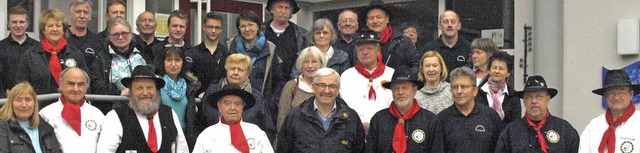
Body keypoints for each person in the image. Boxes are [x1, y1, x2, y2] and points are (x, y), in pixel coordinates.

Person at [96, 65, 188, 152]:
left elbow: (182, 150)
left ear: (156, 91)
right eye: (139, 88)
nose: (145, 93)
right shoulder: (115, 117)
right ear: (130, 91)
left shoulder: (169, 113)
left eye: (150, 88)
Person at [277, 68, 365, 153]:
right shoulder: (295, 116)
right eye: (322, 85)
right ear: (313, 87)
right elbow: (283, 149)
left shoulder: (351, 118)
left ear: (338, 90)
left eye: (332, 86)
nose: (327, 91)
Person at [196, 54, 276, 143]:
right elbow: (200, 123)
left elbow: (268, 131)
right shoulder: (211, 93)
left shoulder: (257, 98)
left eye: (240, 70)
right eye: (232, 68)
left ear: (248, 74)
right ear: (226, 70)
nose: (235, 73)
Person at [16, 8, 88, 105]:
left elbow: (86, 82)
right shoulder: (30, 55)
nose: (54, 29)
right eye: (50, 26)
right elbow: (21, 85)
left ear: (64, 30)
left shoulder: (75, 54)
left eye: (58, 26)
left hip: (71, 107)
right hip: (40, 110)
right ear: (43, 30)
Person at [496, 75, 579, 153]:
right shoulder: (511, 132)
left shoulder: (564, 130)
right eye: (529, 97)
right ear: (524, 101)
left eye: (539, 96)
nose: (534, 101)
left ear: (548, 98)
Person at [366, 70, 443, 152]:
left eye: (405, 88)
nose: (400, 92)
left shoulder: (430, 121)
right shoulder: (378, 119)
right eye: (396, 88)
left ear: (415, 90)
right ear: (391, 91)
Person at [227, 10, 282, 122]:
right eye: (243, 26)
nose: (247, 29)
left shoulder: (271, 49)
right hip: (234, 106)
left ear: (258, 27)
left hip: (261, 109)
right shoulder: (229, 47)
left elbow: (279, 80)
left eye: (250, 25)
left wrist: (270, 103)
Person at [90, 18, 150, 114]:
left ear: (131, 35)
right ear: (109, 37)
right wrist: (119, 93)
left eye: (124, 33)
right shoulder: (101, 58)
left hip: (142, 109)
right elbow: (96, 85)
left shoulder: (142, 54)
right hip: (113, 111)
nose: (120, 37)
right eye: (116, 34)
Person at [340, 30, 395, 134]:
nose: (365, 52)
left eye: (369, 48)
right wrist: (362, 123)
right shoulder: (347, 76)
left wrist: (378, 125)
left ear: (378, 51)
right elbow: (348, 105)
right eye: (361, 49)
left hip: (387, 130)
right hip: (356, 130)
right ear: (356, 52)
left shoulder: (391, 74)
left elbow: (394, 103)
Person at [39, 67, 105, 153]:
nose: (75, 89)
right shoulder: (46, 114)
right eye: (71, 84)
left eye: (80, 84)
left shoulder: (97, 115)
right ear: (61, 85)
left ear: (86, 88)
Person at [437, 67, 502, 152]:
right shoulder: (442, 119)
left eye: (463, 87)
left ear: (475, 90)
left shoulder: (490, 116)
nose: (459, 91)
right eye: (455, 87)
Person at [193, 84, 274, 152]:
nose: (232, 108)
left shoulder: (256, 132)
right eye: (227, 103)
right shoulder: (206, 136)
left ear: (243, 106)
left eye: (237, 104)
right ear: (219, 106)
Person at [579, 69, 640, 153]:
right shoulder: (594, 126)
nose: (616, 97)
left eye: (621, 92)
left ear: (631, 94)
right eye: (611, 93)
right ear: (605, 96)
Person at [156, 47, 198, 150]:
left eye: (178, 60)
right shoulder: (156, 84)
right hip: (161, 138)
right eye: (169, 60)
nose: (173, 64)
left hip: (184, 138)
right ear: (163, 62)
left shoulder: (189, 85)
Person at [0, 82, 62, 153]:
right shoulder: (3, 127)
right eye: (18, 100)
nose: (24, 105)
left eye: (28, 100)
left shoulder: (44, 126)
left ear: (34, 103)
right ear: (11, 104)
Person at [364, 0, 420, 76]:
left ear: (387, 19)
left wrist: (406, 79)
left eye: (379, 17)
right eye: (371, 18)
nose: (375, 21)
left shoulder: (403, 41)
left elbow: (417, 64)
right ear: (367, 22)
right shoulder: (359, 44)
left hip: (397, 86)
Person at [277, 47, 326, 130]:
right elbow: (282, 119)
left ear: (321, 64)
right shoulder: (291, 86)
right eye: (306, 62)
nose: (310, 66)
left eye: (314, 62)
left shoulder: (328, 86)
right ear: (300, 64)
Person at [264, 0, 311, 79]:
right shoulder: (259, 31)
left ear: (291, 12)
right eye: (280, 7)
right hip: (264, 83)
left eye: (287, 8)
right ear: (272, 9)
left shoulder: (302, 35)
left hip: (291, 83)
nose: (283, 11)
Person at [187, 12, 230, 98]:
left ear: (221, 29)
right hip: (197, 103)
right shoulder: (192, 53)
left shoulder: (227, 54)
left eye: (217, 27)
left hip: (219, 102)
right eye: (210, 27)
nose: (213, 31)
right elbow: (188, 81)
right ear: (204, 27)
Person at [0, 6, 39, 97]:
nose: (18, 25)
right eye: (14, 22)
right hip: (6, 100)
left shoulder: (37, 47)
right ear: (8, 24)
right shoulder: (1, 47)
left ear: (27, 24)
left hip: (33, 98)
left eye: (21, 22)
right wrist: (3, 94)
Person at [475, 51, 521, 127]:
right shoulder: (477, 92)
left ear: (508, 73)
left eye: (501, 69)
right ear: (489, 70)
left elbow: (515, 124)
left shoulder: (513, 96)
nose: (497, 71)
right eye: (494, 67)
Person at [423, 10, 471, 75]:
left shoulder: (468, 47)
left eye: (453, 22)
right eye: (445, 22)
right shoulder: (429, 48)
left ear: (459, 26)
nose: (449, 25)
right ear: (439, 26)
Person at [66, 0, 104, 68]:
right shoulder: (62, 38)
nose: (82, 16)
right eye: (78, 12)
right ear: (70, 15)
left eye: (86, 12)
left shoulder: (98, 41)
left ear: (90, 17)